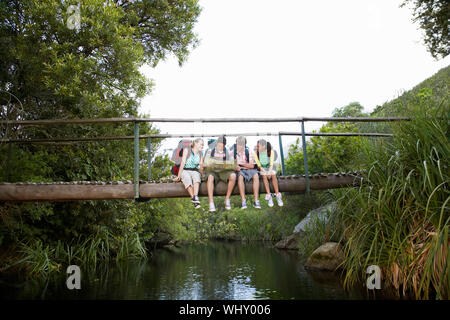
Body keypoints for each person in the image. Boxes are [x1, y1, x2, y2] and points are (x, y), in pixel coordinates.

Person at [205, 135, 236, 212]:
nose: (220, 147)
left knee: (233, 176)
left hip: (223, 171)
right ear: (216, 144)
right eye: (219, 145)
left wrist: (221, 164)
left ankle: (227, 198)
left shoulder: (228, 151)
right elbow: (206, 163)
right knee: (210, 178)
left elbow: (232, 163)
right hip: (213, 171)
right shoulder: (210, 150)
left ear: (224, 145)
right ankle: (211, 202)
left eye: (222, 146)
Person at [173, 138, 204, 209]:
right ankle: (194, 198)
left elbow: (201, 165)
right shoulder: (187, 150)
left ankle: (195, 196)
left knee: (196, 177)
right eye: (201, 144)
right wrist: (179, 175)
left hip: (195, 170)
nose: (202, 146)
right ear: (196, 143)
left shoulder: (200, 153)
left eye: (203, 145)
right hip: (185, 170)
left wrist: (202, 175)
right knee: (187, 178)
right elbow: (183, 162)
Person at [233, 136, 261, 209]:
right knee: (240, 177)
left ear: (244, 144)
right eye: (238, 144)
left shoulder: (249, 152)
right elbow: (233, 165)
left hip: (248, 169)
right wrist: (238, 166)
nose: (240, 146)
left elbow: (252, 166)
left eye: (242, 144)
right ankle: (243, 201)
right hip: (241, 171)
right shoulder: (233, 153)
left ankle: (256, 200)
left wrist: (240, 165)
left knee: (256, 175)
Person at [253, 139, 283, 207]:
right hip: (262, 169)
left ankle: (277, 194)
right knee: (264, 176)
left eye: (258, 146)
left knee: (273, 174)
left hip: (270, 168)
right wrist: (265, 172)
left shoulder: (270, 152)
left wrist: (269, 172)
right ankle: (269, 195)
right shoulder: (256, 153)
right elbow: (259, 165)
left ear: (263, 146)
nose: (257, 148)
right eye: (257, 146)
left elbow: (271, 163)